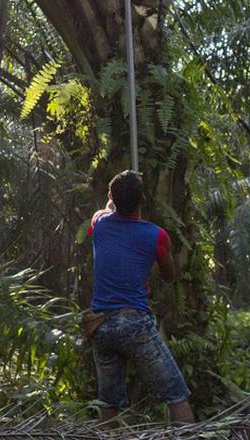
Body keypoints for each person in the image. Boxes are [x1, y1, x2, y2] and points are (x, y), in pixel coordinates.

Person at [86, 169, 195, 425]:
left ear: (111, 196)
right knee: (176, 395)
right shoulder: (156, 236)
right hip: (135, 325)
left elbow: (105, 209)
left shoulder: (99, 224)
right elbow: (170, 275)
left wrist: (115, 197)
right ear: (143, 200)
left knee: (108, 402)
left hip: (100, 326)